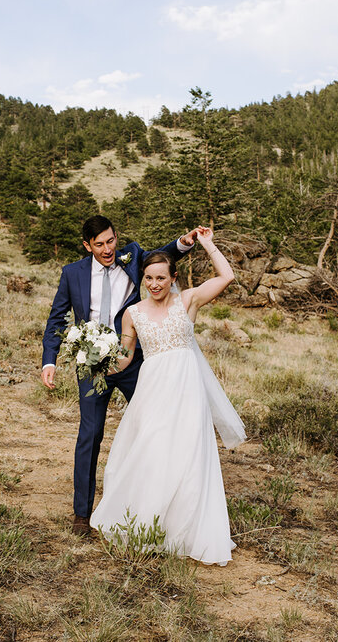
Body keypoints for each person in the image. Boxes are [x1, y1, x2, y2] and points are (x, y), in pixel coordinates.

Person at [90, 226, 246, 566]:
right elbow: (125, 357)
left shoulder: (188, 300)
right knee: (153, 447)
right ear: (143, 279)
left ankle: (186, 529)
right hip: (153, 387)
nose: (155, 284)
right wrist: (96, 360)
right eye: (149, 278)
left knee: (189, 452)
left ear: (173, 277)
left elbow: (228, 276)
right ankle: (147, 523)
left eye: (161, 278)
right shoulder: (133, 314)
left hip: (187, 386)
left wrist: (207, 244)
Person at [41, 215, 200, 538]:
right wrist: (50, 361)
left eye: (111, 241)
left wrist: (185, 242)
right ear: (87, 246)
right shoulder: (72, 274)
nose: (107, 249)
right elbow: (57, 317)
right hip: (92, 364)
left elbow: (163, 255)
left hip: (134, 361)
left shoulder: (132, 256)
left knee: (154, 429)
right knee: (91, 434)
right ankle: (82, 515)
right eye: (99, 244)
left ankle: (157, 508)